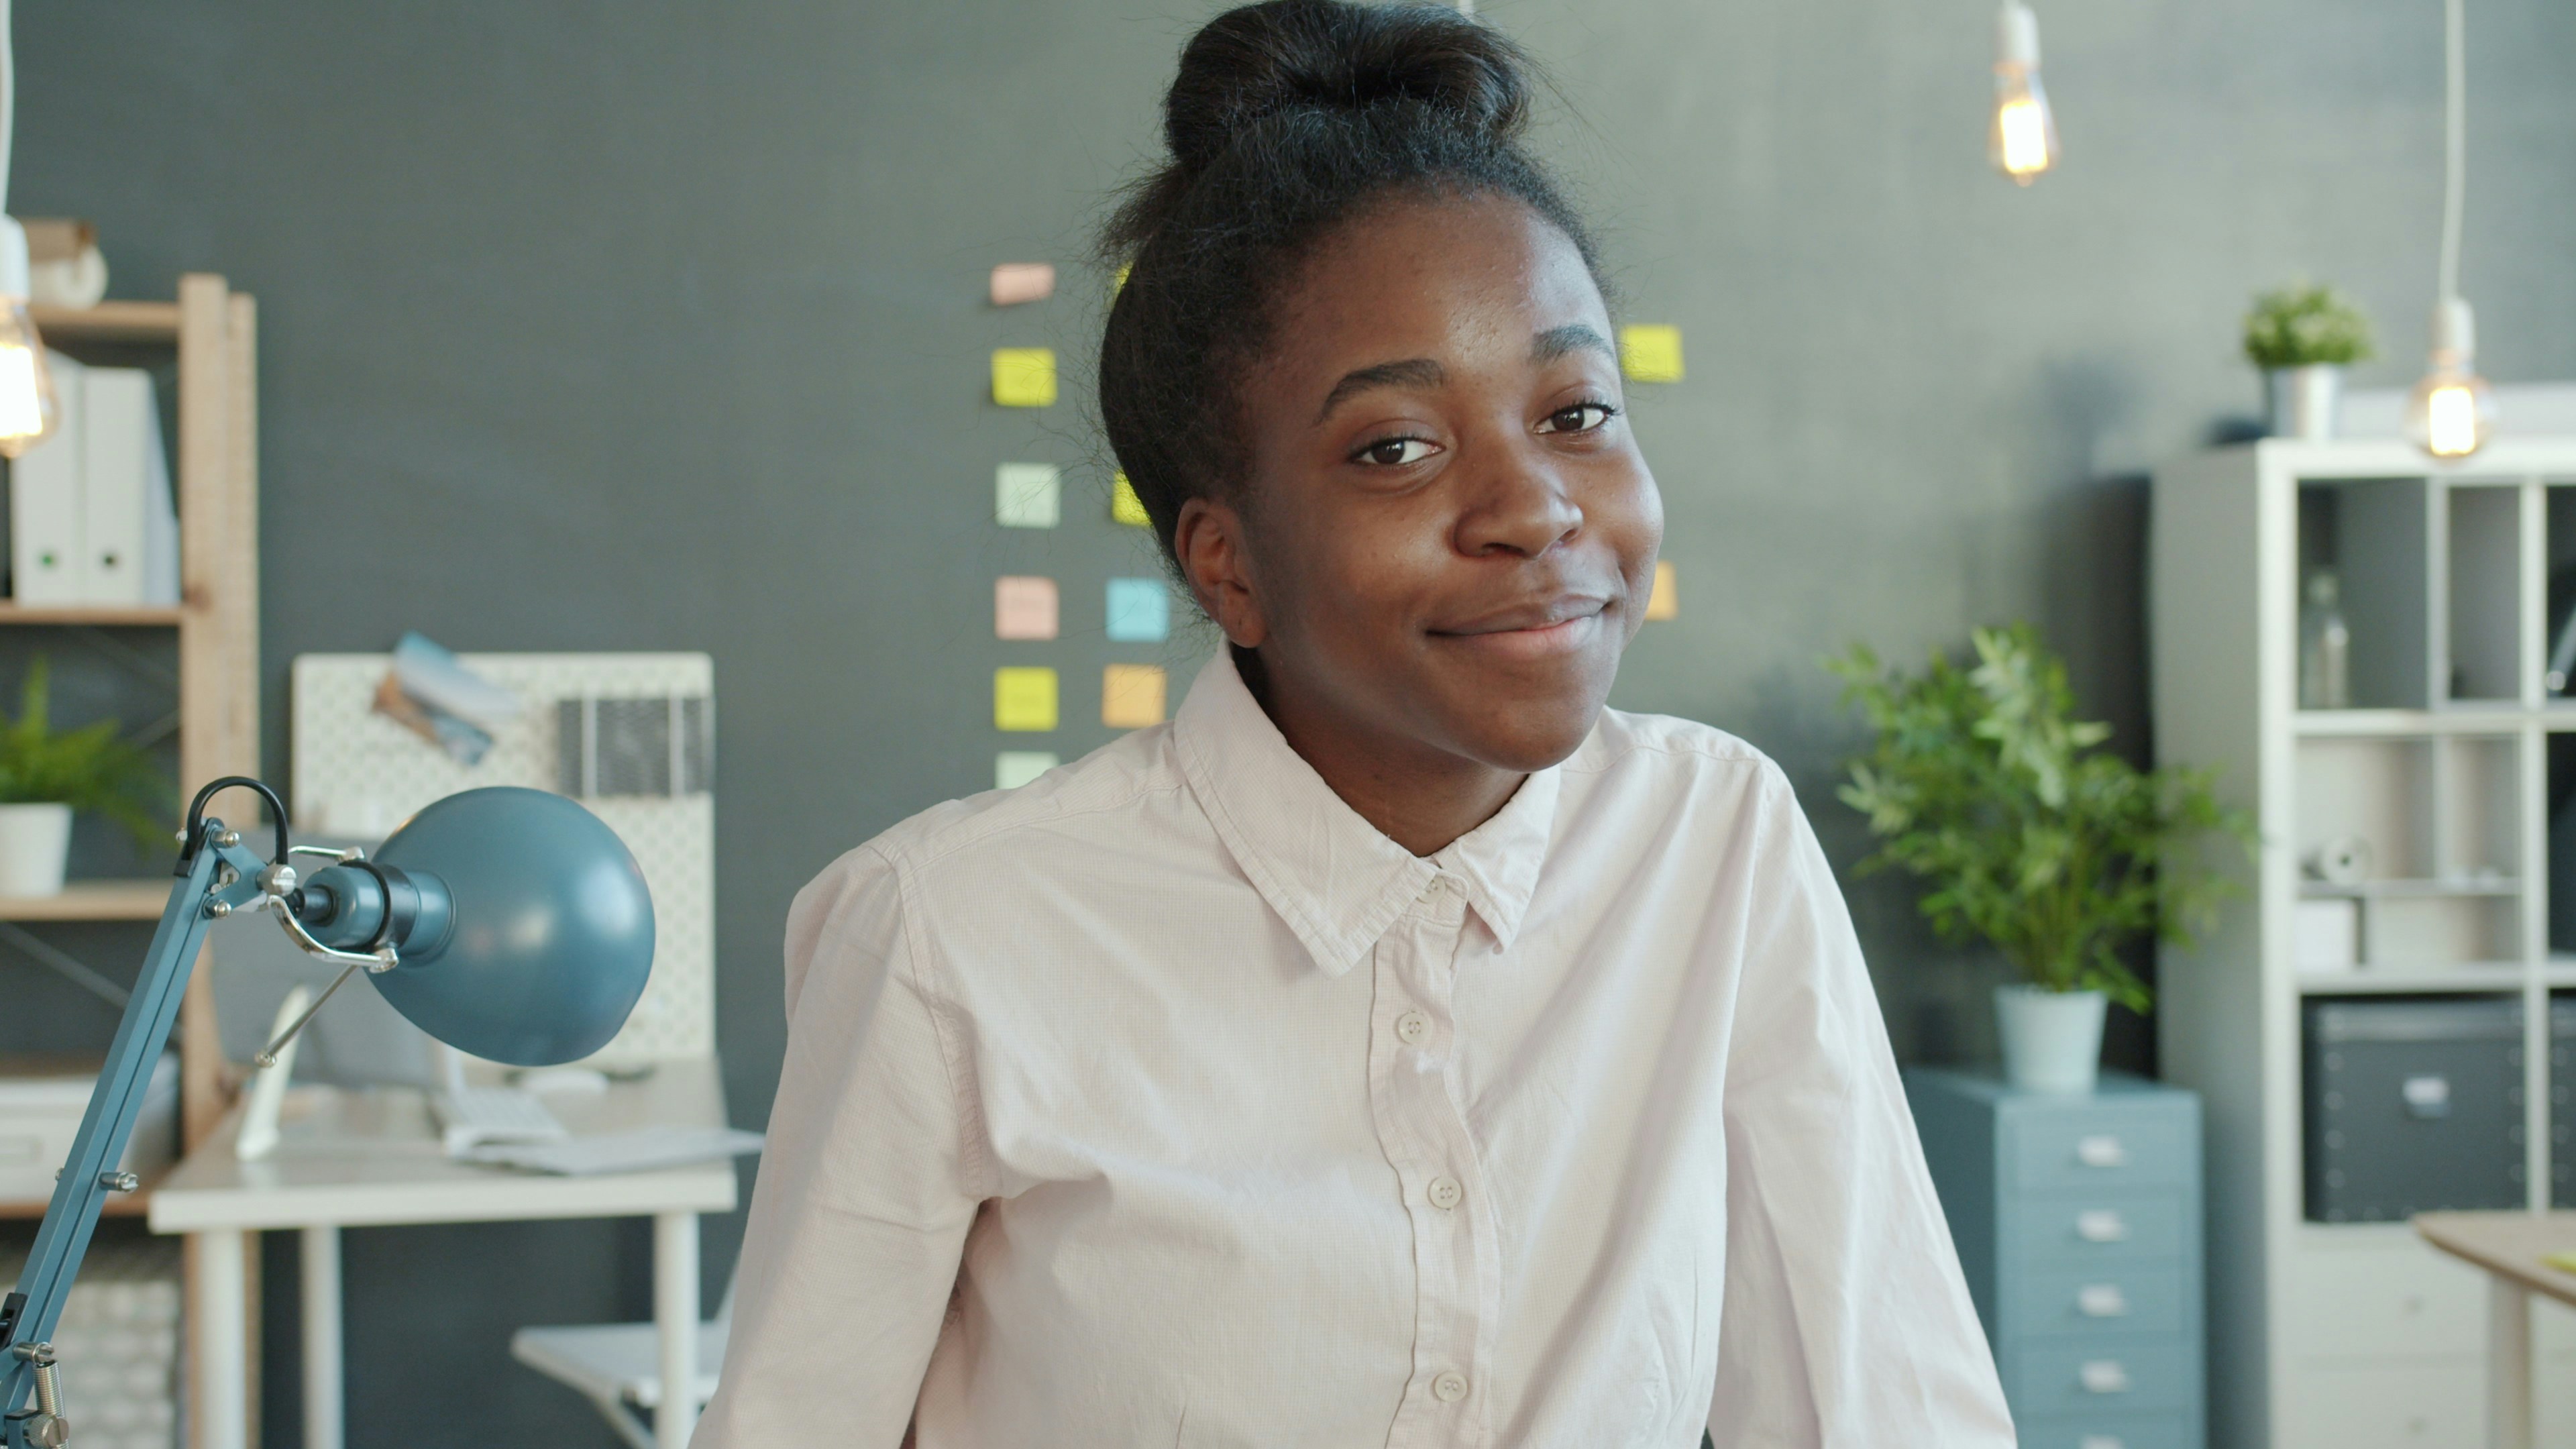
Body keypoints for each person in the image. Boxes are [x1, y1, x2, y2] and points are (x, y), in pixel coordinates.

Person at [696, 2, 2012, 1444]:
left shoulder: (1715, 842)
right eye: (1396, 448)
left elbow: (1880, 1399)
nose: (1536, 509)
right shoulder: (949, 935)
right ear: (1228, 565)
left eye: (1577, 413)